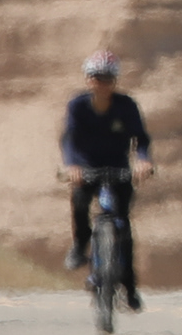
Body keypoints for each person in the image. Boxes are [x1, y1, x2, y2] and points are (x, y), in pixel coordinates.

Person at [57, 51, 153, 310]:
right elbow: (69, 139)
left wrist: (143, 161)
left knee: (124, 227)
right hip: (86, 168)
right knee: (79, 203)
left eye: (108, 78)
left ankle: (130, 287)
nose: (103, 83)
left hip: (119, 168)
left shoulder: (126, 105)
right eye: (98, 78)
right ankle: (80, 246)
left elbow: (141, 139)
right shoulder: (77, 105)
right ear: (88, 80)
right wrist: (72, 166)